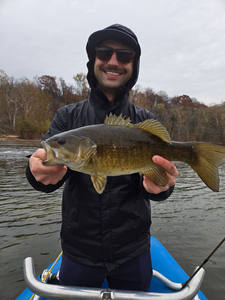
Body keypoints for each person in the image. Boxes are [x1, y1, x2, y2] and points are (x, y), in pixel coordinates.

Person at [26, 24, 178, 292]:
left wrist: (162, 188)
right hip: (78, 252)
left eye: (124, 56)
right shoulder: (67, 119)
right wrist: (36, 173)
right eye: (104, 52)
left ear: (134, 65)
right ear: (93, 60)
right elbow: (46, 170)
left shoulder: (146, 121)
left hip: (134, 252)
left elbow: (158, 182)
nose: (113, 62)